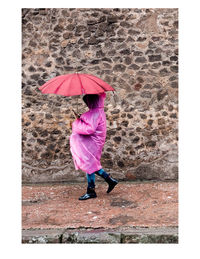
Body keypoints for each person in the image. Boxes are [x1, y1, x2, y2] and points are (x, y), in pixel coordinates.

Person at [69, 92, 118, 200]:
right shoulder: (98, 112)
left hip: (92, 142)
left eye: (88, 101)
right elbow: (89, 122)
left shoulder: (94, 113)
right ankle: (109, 180)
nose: (87, 104)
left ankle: (91, 191)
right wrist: (80, 118)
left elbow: (89, 129)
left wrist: (77, 123)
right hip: (94, 142)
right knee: (91, 163)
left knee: (89, 163)